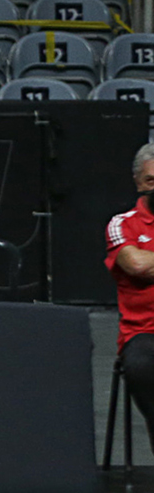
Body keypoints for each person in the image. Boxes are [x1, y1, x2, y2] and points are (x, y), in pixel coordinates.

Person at [107, 142, 154, 424]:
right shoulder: (121, 224)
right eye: (151, 180)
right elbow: (135, 265)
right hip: (145, 333)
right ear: (139, 183)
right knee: (142, 366)